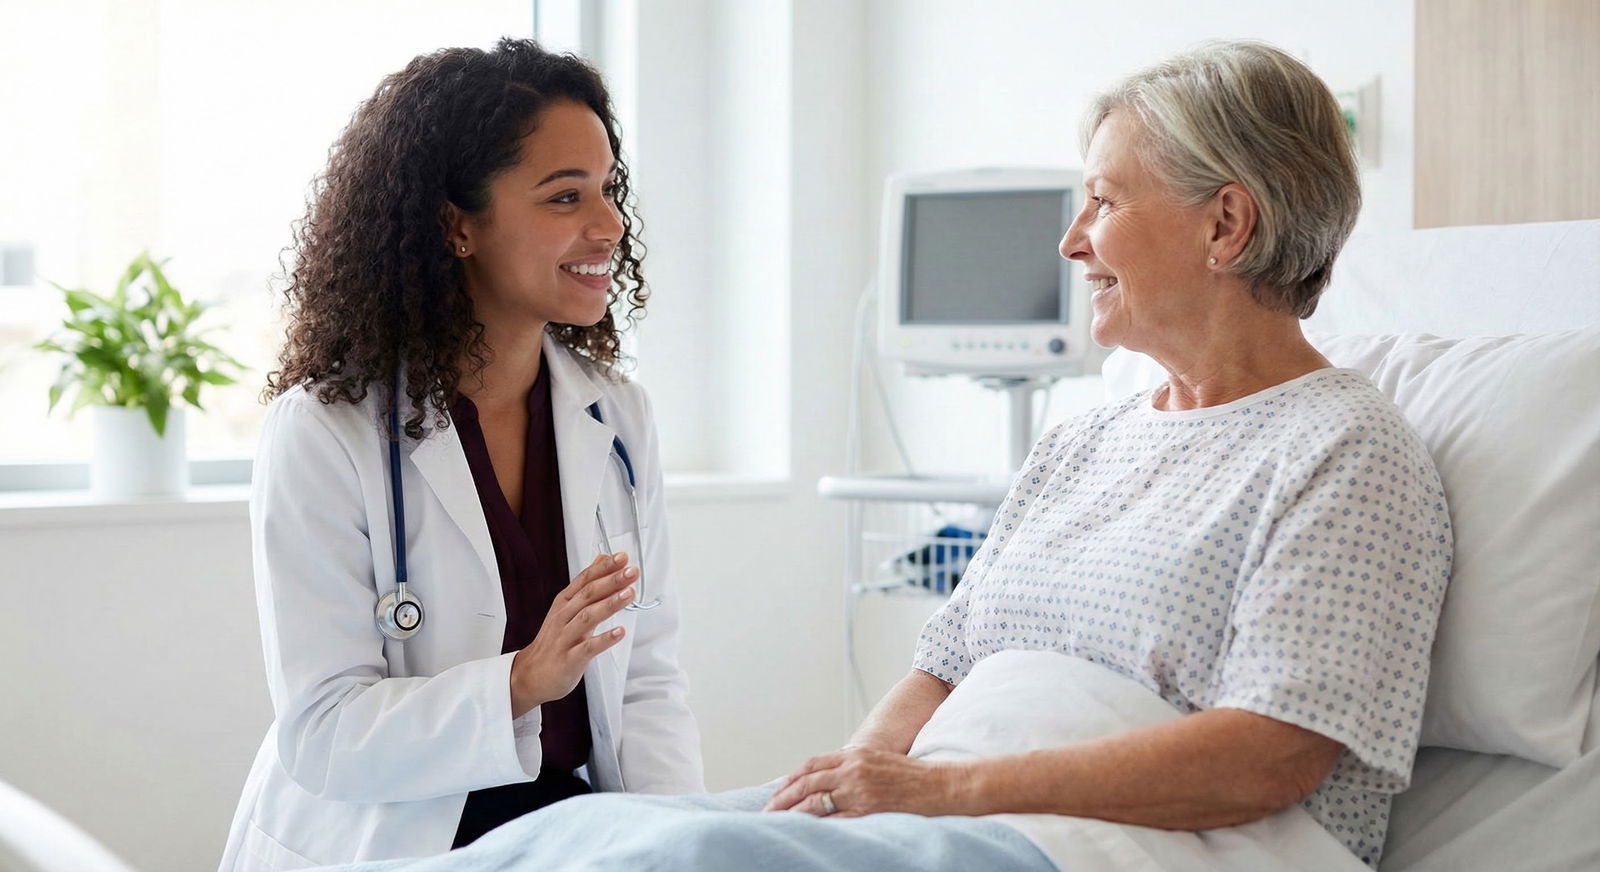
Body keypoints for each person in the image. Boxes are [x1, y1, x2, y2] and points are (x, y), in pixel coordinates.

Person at [326, 39, 1451, 872]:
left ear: (1227, 226)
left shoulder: (1343, 450)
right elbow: (942, 662)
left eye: (1102, 200)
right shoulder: (1091, 437)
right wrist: (834, 792)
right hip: (952, 812)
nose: (1069, 241)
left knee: (657, 863)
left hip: (1116, 841)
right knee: (574, 838)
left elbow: (1270, 757)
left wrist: (933, 789)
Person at [218, 38, 703, 871]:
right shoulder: (326, 431)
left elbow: (649, 680)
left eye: (608, 189)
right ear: (457, 225)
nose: (610, 224)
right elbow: (326, 731)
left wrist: (679, 843)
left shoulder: (616, 417)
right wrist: (520, 682)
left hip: (567, 828)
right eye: (564, 197)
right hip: (388, 836)